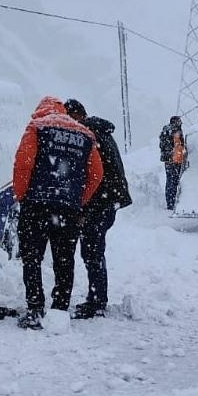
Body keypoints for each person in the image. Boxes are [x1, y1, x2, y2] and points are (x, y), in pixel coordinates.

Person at [12, 96, 104, 329]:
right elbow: (96, 174)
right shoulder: (85, 134)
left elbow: (23, 164)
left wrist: (22, 195)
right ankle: (60, 307)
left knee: (32, 258)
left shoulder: (36, 127)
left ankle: (35, 307)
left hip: (36, 205)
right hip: (68, 209)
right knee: (64, 259)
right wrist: (77, 200)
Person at [64, 100, 132, 319]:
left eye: (70, 118)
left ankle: (97, 301)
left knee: (92, 252)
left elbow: (95, 177)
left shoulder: (91, 135)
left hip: (100, 203)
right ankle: (97, 298)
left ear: (78, 115)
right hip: (107, 202)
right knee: (93, 251)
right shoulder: (99, 132)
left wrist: (84, 208)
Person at [159, 115, 187, 211]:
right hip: (175, 161)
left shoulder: (165, 130)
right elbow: (178, 146)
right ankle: (172, 204)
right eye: (179, 122)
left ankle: (170, 203)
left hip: (168, 161)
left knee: (170, 182)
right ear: (176, 122)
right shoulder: (175, 131)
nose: (181, 124)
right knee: (174, 182)